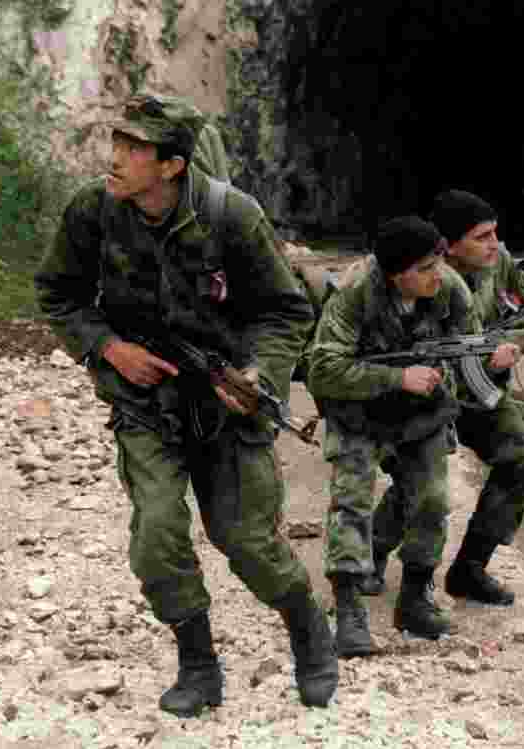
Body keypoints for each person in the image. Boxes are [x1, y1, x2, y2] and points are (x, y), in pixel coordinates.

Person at [34, 92, 337, 716]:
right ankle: (198, 662)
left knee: (246, 542)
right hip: (145, 402)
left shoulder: (232, 216)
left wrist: (257, 374)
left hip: (226, 406)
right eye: (116, 143)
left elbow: (286, 312)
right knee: (156, 535)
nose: (115, 158)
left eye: (133, 149)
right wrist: (110, 348)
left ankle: (308, 628)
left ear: (171, 165)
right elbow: (58, 293)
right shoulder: (94, 209)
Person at [358, 190, 524, 608]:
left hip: (476, 386)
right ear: (449, 244)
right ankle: (372, 550)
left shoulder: (501, 263)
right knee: (420, 480)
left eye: (496, 233)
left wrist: (510, 348)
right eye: (482, 236)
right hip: (423, 392)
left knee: (523, 454)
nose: (495, 243)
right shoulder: (416, 274)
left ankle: (470, 569)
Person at [305, 216, 480, 657]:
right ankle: (349, 608)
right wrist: (397, 377)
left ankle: (415, 598)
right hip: (358, 409)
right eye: (424, 268)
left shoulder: (450, 289)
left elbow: (470, 347)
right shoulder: (354, 295)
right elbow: (322, 370)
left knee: (432, 498)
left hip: (421, 412)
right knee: (352, 500)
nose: (436, 274)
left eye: (438, 262)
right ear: (394, 274)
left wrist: (489, 356)